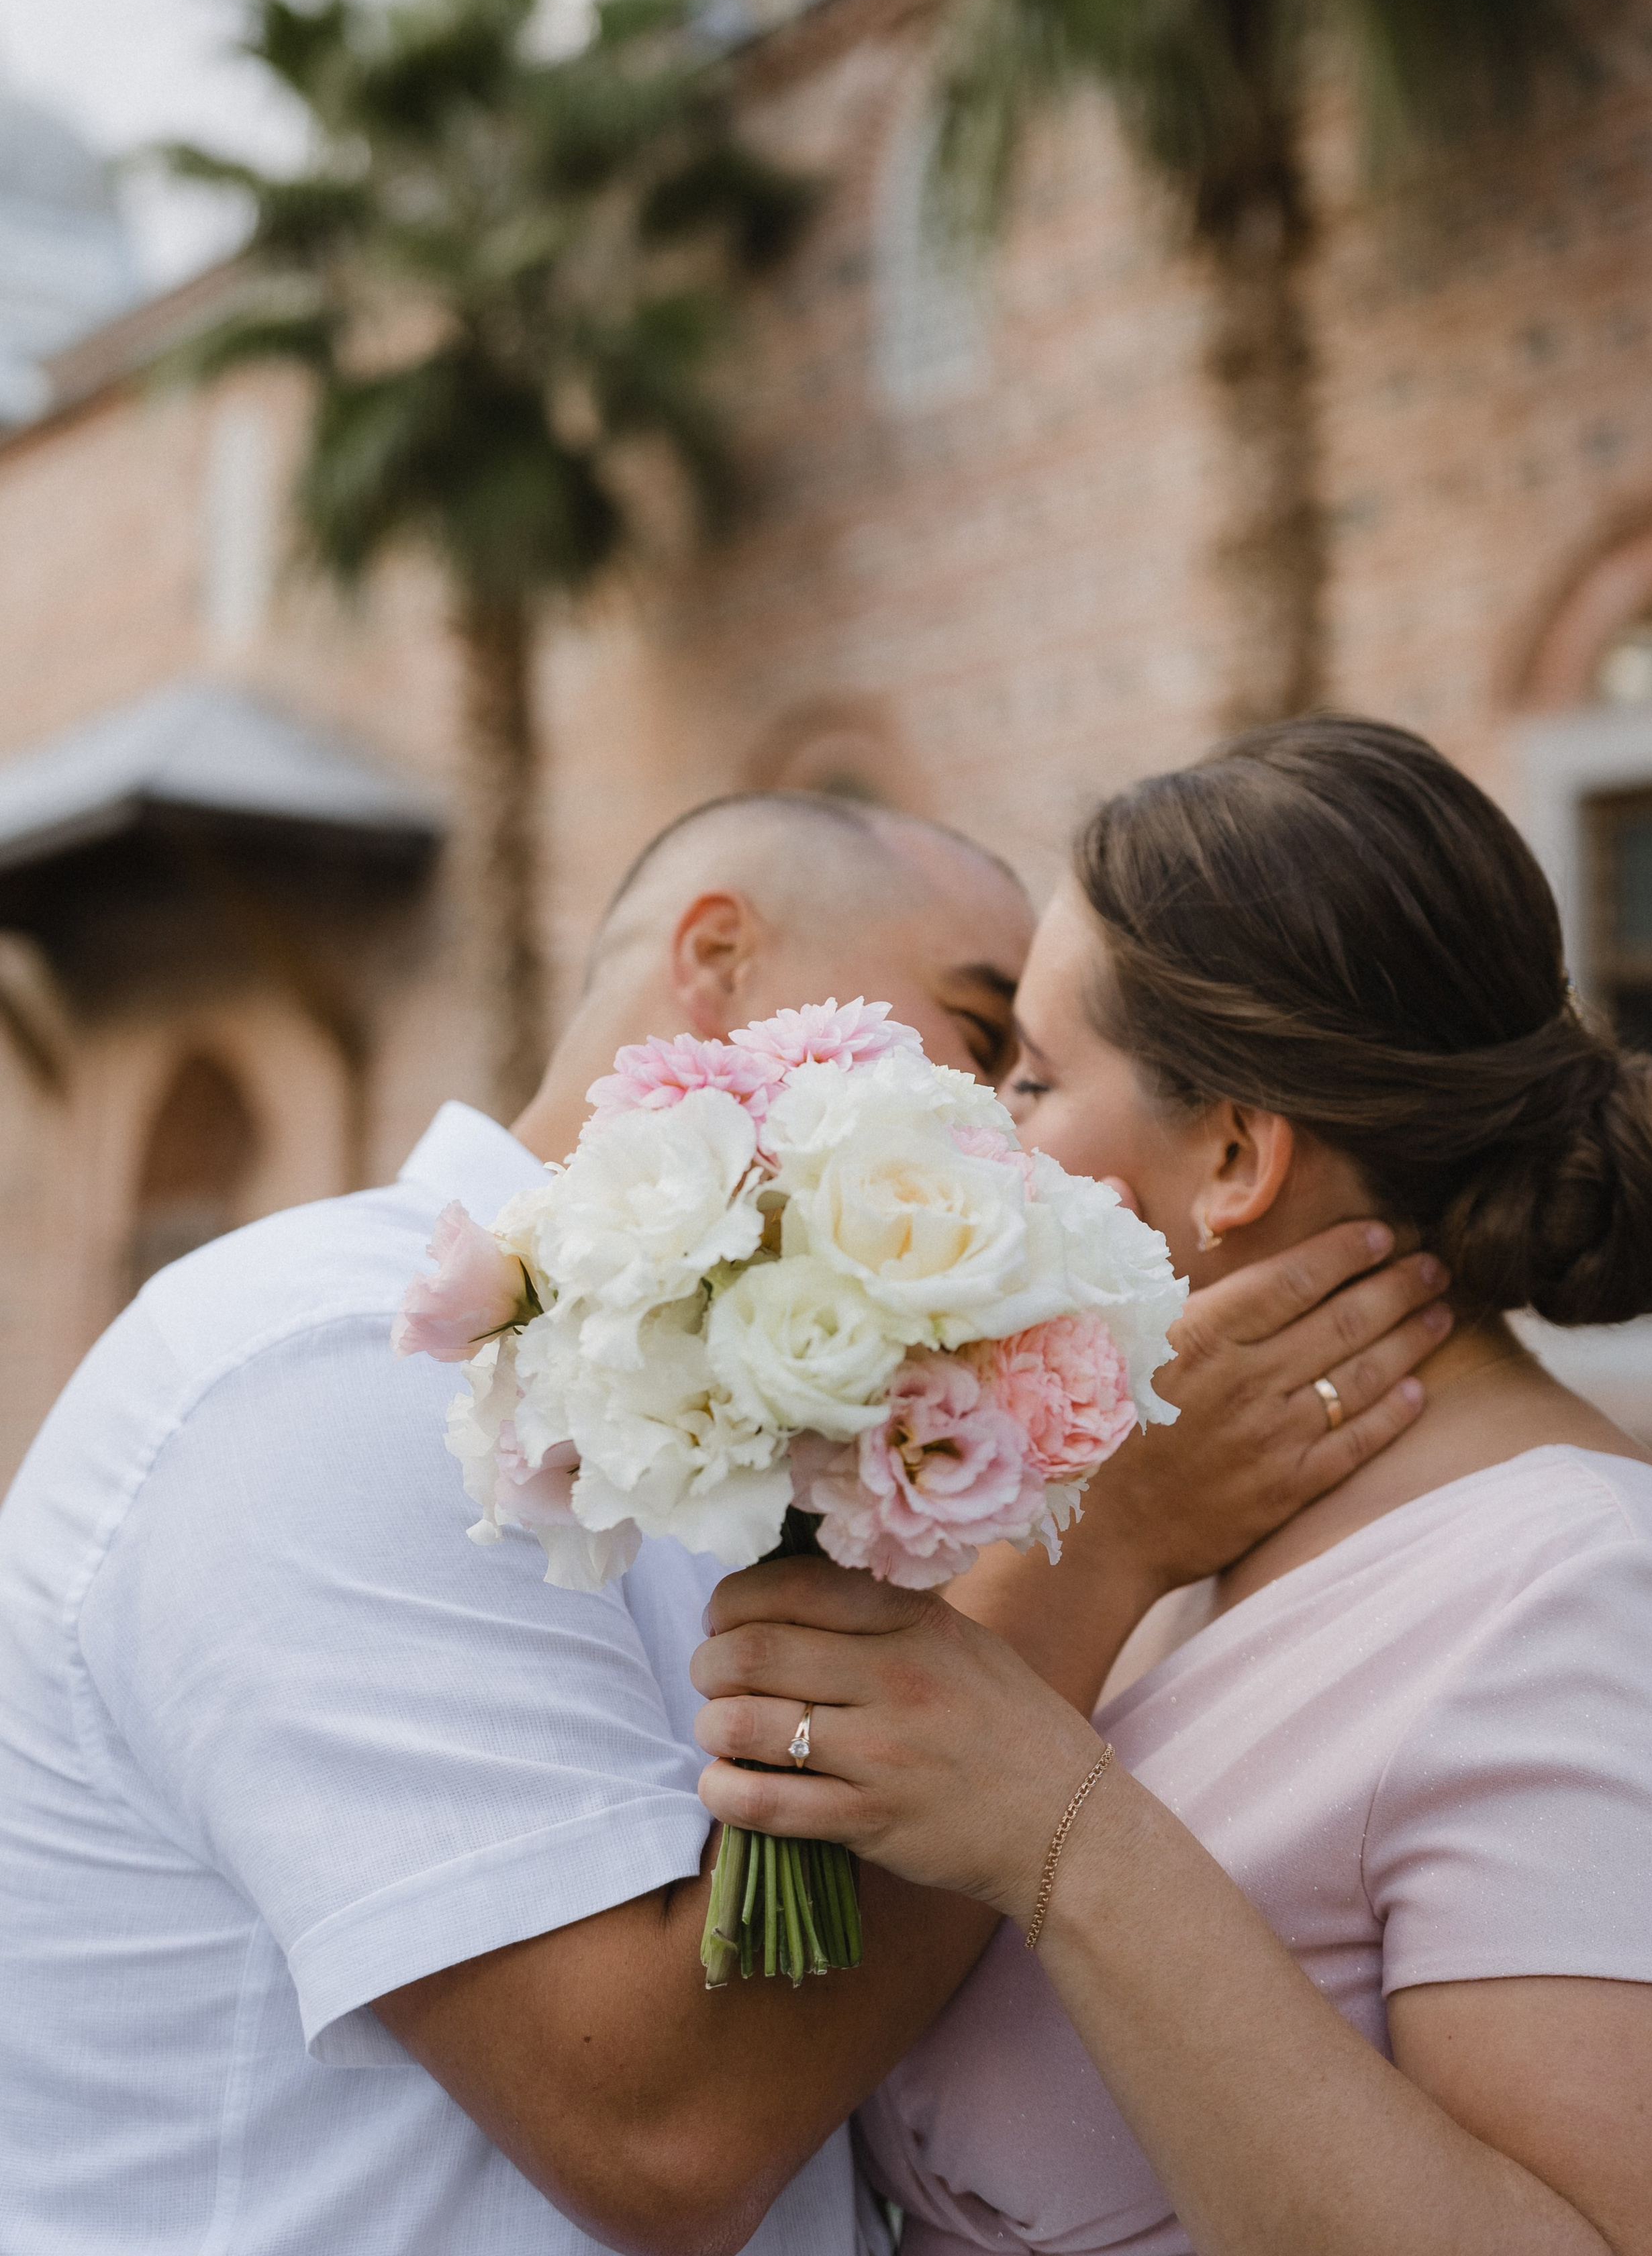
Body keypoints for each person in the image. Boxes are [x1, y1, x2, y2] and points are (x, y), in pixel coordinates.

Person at [0, 787, 1445, 2256]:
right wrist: (1111, 1548)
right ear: (718, 960)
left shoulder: (759, 1413)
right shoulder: (338, 1370)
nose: (1015, 1140)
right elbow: (660, 2130)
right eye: (978, 1039)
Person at [693, 723, 1652, 2256]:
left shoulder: (1586, 1594)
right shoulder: (1165, 1517)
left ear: (1235, 1155)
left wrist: (1064, 1834)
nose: (989, 1137)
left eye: (1033, 1079)